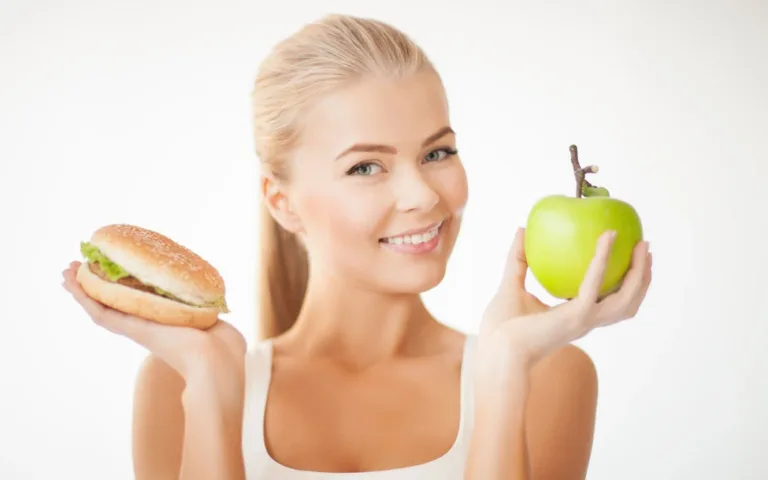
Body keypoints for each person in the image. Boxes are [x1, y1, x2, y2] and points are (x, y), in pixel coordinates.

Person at [61, 13, 653, 480]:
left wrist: (503, 374)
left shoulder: (548, 374)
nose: (423, 195)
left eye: (437, 153)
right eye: (367, 166)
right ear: (281, 201)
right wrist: (213, 389)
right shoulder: (177, 383)